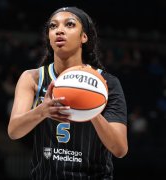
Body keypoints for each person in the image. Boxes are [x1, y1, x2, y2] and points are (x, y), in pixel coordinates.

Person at [7, 7, 128, 179]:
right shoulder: (32, 78)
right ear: (48, 37)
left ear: (83, 37)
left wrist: (91, 110)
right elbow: (14, 131)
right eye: (53, 26)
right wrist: (42, 111)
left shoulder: (108, 84)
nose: (59, 30)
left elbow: (120, 149)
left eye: (70, 24)